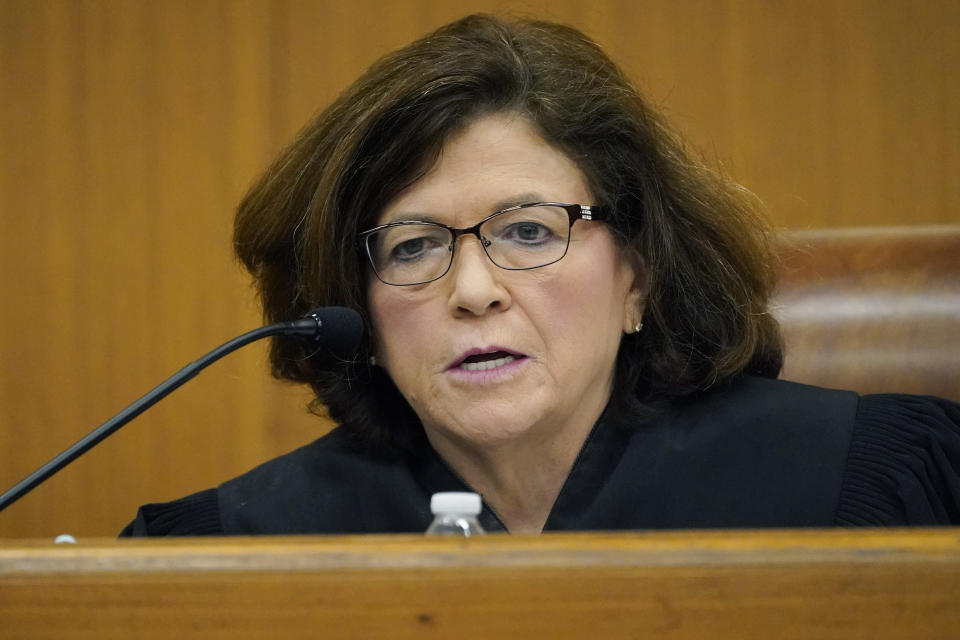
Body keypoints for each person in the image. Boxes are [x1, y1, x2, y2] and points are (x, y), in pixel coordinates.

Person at [122, 15, 960, 536]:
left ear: (636, 274)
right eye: (412, 247)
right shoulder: (245, 547)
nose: (475, 289)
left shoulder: (869, 483)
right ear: (357, 313)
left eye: (528, 231)